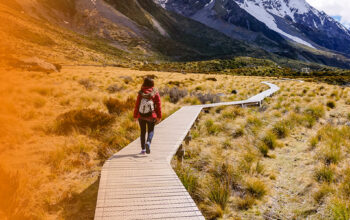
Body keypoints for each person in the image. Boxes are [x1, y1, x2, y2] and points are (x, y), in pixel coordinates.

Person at [133, 77, 161, 154]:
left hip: (141, 116)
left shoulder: (141, 92)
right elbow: (158, 105)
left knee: (142, 132)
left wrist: (135, 116)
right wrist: (159, 116)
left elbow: (137, 105)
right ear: (152, 84)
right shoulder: (155, 92)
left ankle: (143, 149)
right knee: (151, 131)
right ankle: (148, 142)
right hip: (151, 116)